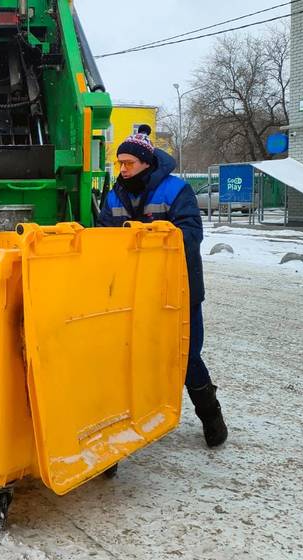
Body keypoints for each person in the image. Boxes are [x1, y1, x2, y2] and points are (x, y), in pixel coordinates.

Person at [97, 127, 228, 447]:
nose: (122, 169)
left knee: (185, 355)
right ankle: (132, 422)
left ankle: (212, 417)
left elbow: (190, 235)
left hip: (178, 289)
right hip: (134, 292)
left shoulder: (176, 190)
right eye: (119, 163)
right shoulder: (114, 194)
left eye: (127, 163)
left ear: (145, 162)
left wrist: (145, 239)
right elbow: (102, 234)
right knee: (132, 356)